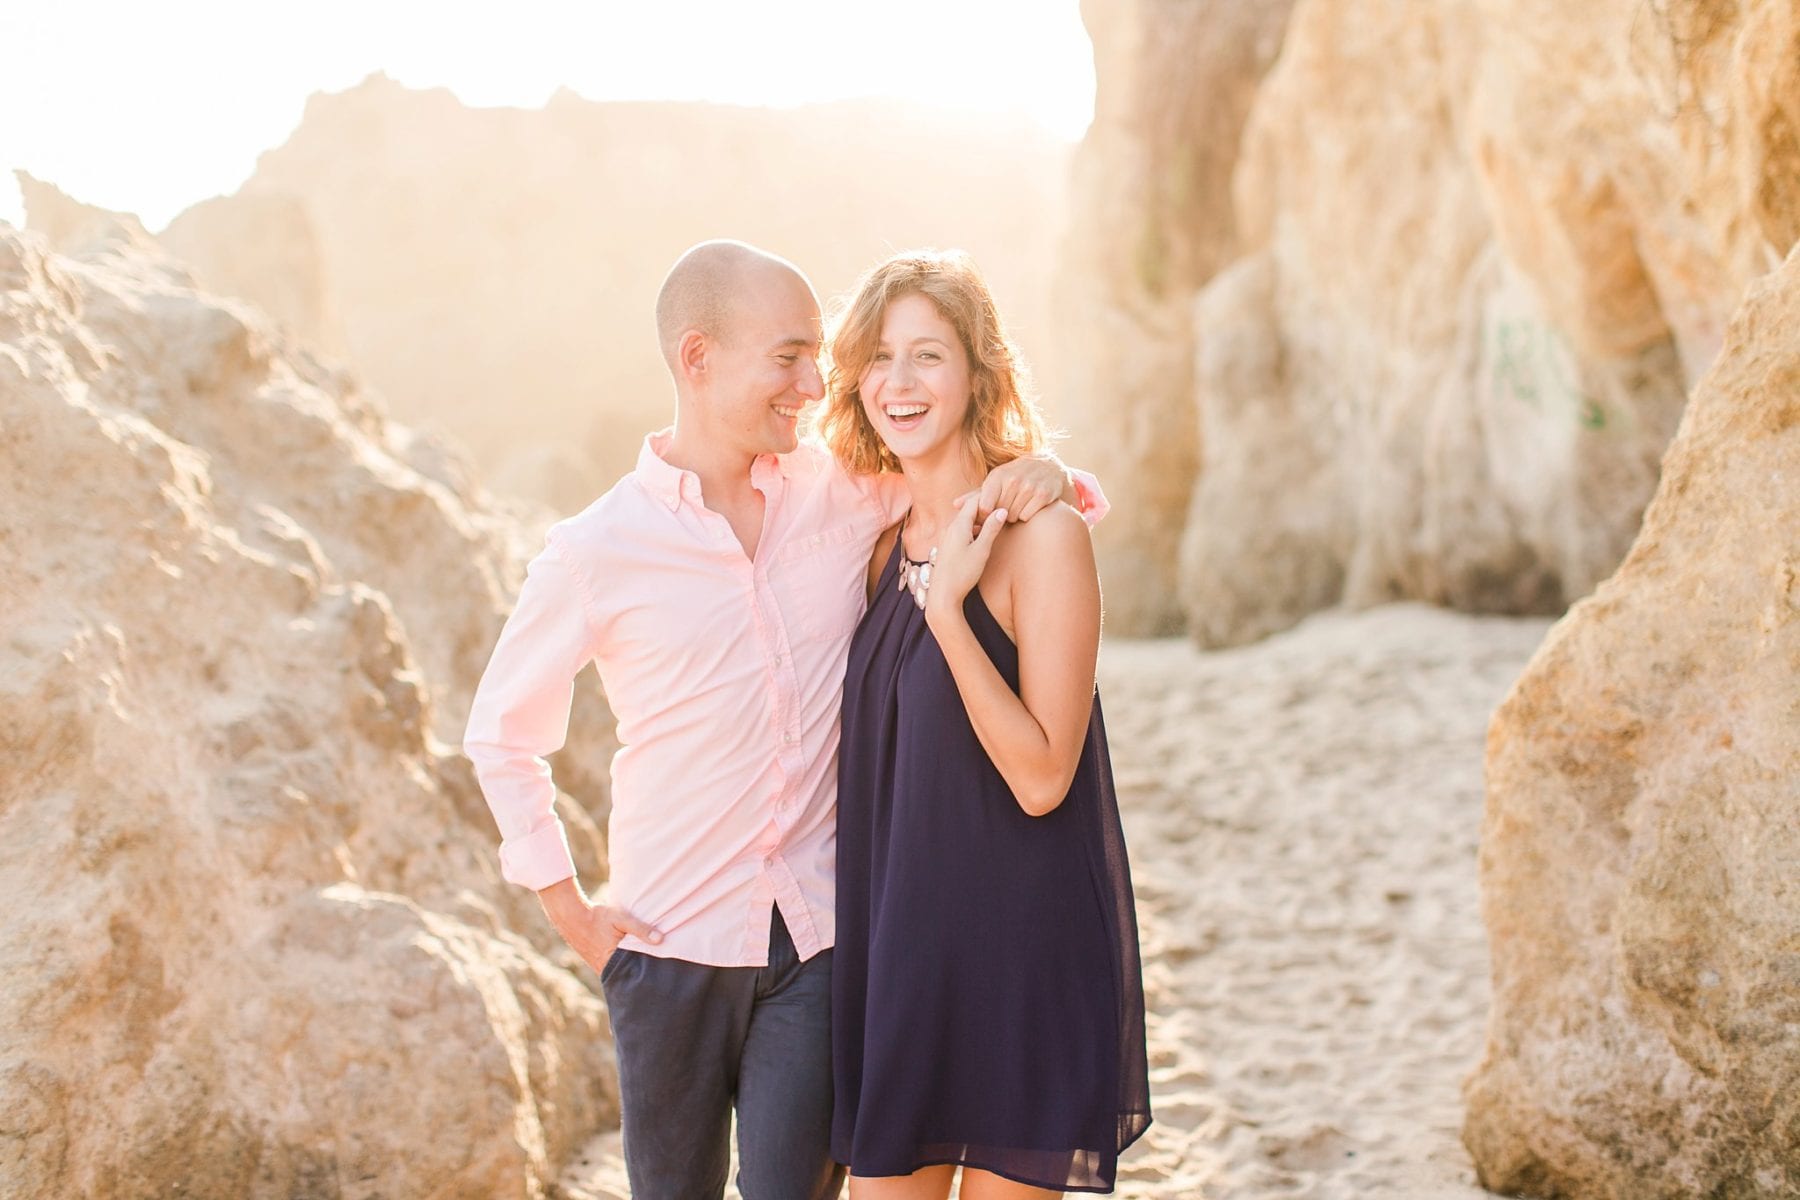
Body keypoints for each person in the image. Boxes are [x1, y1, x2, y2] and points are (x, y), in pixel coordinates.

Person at [462, 240, 1105, 1200]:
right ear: (698, 358)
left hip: (818, 949)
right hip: (669, 941)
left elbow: (962, 485)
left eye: (818, 362)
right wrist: (567, 906)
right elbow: (501, 735)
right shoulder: (595, 549)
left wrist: (1054, 474)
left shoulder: (838, 496)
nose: (814, 386)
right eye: (791, 358)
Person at [820, 250, 1151, 1199]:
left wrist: (952, 613)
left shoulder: (1043, 536)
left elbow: (1046, 775)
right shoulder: (879, 542)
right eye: (880, 359)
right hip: (903, 963)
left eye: (929, 356)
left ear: (978, 375)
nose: (900, 382)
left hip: (1022, 956)